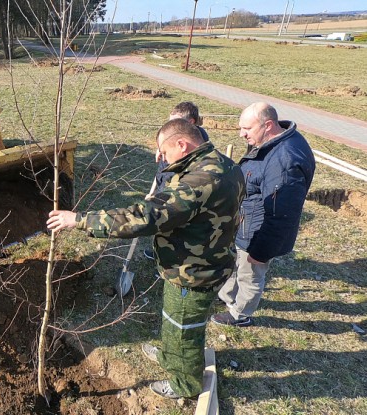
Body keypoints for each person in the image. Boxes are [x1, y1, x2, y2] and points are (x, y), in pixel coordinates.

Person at [47, 118, 245, 400]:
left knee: (183, 329)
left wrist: (79, 220)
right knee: (172, 318)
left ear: (182, 144)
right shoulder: (224, 164)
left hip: (194, 270)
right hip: (197, 261)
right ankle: (169, 355)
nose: (161, 159)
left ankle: (185, 383)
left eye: (164, 153)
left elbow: (143, 217)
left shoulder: (199, 181)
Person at [211, 102, 315, 327]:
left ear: (268, 125)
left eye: (246, 129)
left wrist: (261, 251)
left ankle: (240, 313)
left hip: (256, 233)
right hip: (245, 223)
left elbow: (281, 215)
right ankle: (228, 299)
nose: (241, 134)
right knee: (235, 265)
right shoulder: (269, 143)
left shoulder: (285, 161)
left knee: (250, 274)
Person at [144, 101, 210, 260]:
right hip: (163, 188)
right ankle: (158, 252)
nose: (170, 126)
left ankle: (168, 260)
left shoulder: (194, 145)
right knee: (159, 225)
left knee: (169, 226)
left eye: (175, 122)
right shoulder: (173, 139)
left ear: (191, 122)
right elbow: (161, 171)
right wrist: (152, 191)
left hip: (174, 194)